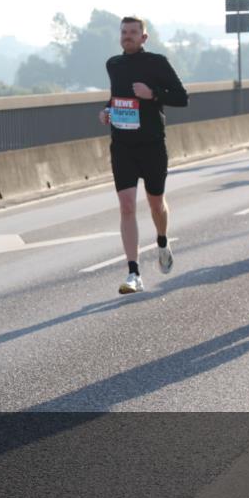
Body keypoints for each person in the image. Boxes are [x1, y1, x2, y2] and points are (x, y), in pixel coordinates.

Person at [98, 17, 189, 294]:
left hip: (151, 145)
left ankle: (162, 241)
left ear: (144, 37)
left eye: (133, 32)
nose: (128, 36)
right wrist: (106, 111)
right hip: (122, 145)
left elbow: (182, 97)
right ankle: (133, 273)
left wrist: (153, 94)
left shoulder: (157, 63)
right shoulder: (114, 64)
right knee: (126, 206)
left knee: (156, 204)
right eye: (124, 32)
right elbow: (118, 97)